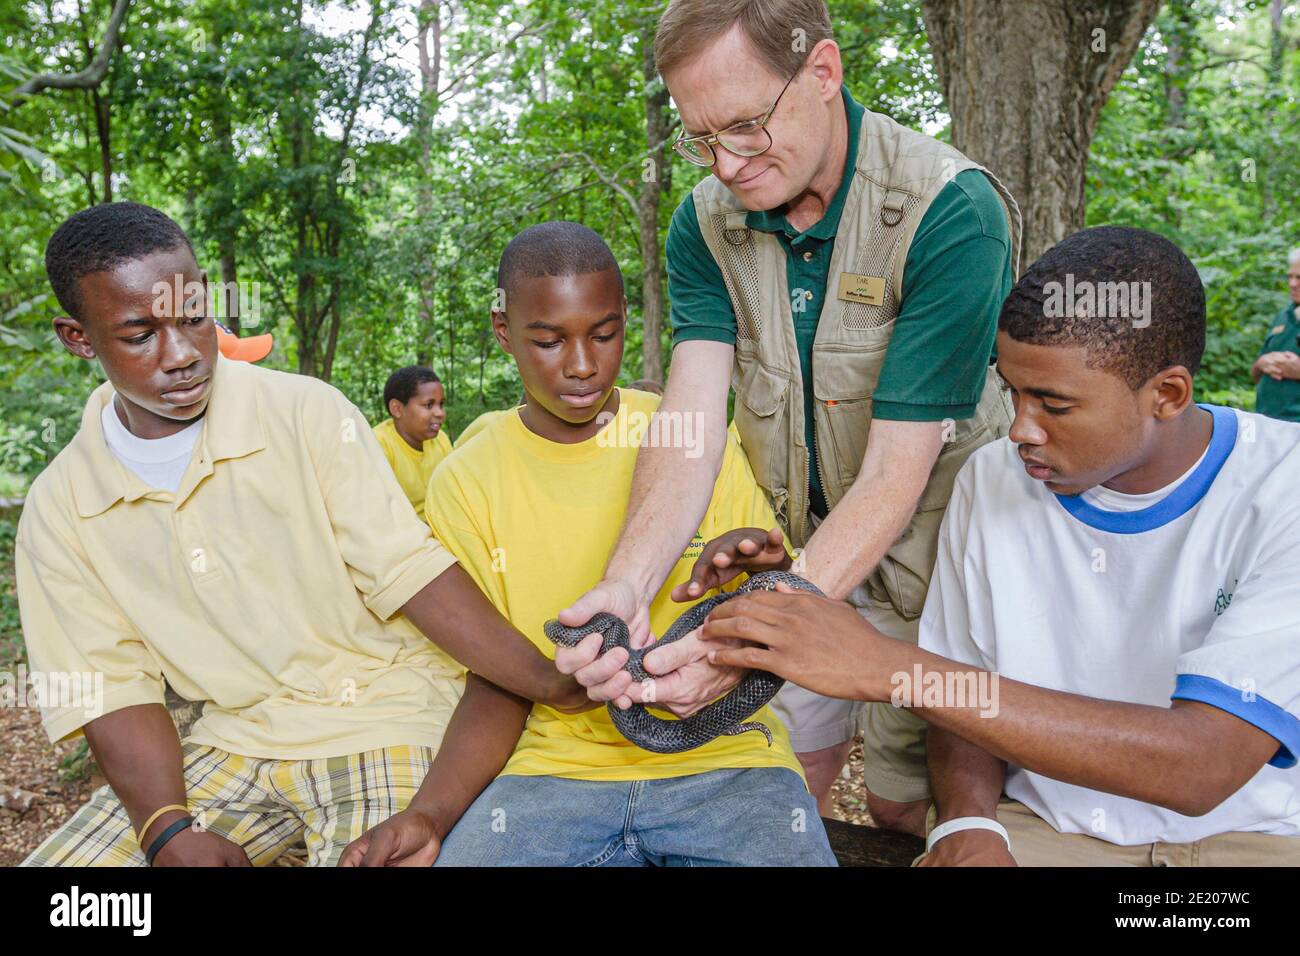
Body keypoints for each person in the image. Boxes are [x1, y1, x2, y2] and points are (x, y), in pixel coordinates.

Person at [555, 0, 1021, 831]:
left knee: (911, 804)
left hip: (936, 566)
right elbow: (689, 424)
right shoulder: (703, 222)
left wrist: (747, 643)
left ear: (824, 72)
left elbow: (893, 477)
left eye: (745, 126)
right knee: (787, 780)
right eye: (700, 138)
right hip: (799, 555)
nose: (726, 165)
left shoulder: (949, 210)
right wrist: (628, 582)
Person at [696, 226, 1300, 866]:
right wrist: (965, 823)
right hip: (1049, 829)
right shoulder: (991, 480)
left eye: (1053, 405)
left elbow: (1201, 767)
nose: (1020, 429)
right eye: (1011, 392)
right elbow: (966, 690)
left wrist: (891, 668)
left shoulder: (1279, 489)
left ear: (1167, 395)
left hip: (1257, 838)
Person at [18, 202, 583, 867]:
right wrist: (167, 830)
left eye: (195, 316)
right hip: (230, 742)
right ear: (78, 337)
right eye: (140, 334)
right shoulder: (60, 507)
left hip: (385, 718)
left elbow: (409, 571)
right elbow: (111, 687)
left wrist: (550, 682)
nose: (181, 355)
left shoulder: (304, 412)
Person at [346, 221, 835, 866]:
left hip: (730, 760)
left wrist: (763, 574)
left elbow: (775, 628)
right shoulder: (466, 478)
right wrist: (430, 816)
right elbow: (498, 681)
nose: (582, 365)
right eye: (548, 342)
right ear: (504, 333)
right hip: (549, 776)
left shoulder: (689, 437)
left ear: (626, 321)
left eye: (604, 335)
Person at [372, 365, 452, 513]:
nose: (440, 413)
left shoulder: (440, 439)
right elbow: (377, 512)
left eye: (441, 404)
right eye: (429, 405)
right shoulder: (377, 445)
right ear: (397, 408)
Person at [1251, 247, 1300, 422]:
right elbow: (1255, 372)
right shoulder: (1283, 317)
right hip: (1266, 425)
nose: (1292, 284)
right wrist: (1262, 363)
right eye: (1290, 277)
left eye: (1299, 277)